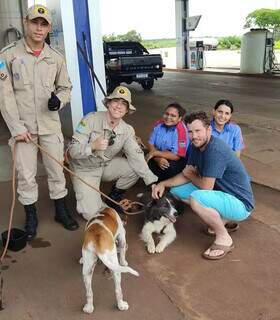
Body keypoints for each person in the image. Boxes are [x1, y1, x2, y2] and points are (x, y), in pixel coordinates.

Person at [0, 4, 79, 240]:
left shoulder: (55, 58)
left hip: (49, 126)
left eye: (43, 24)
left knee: (57, 171)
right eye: (35, 22)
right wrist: (16, 128)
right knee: (26, 175)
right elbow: (5, 96)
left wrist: (59, 100)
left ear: (49, 28)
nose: (38, 28)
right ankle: (31, 215)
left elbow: (66, 88)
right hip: (22, 128)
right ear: (26, 22)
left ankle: (61, 211)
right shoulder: (8, 55)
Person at [152, 111, 254, 260]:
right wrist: (162, 183)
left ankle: (224, 238)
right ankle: (223, 219)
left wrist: (191, 175)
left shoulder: (215, 150)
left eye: (198, 131)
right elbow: (186, 173)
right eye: (190, 132)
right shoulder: (195, 146)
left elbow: (204, 186)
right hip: (222, 193)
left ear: (209, 130)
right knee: (177, 190)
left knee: (196, 198)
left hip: (241, 204)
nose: (194, 136)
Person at [68, 86, 158, 220]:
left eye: (124, 104)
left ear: (127, 110)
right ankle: (99, 204)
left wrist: (152, 182)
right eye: (116, 101)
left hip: (105, 165)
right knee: (91, 214)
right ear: (108, 103)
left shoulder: (127, 130)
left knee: (134, 168)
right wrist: (92, 146)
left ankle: (113, 199)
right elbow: (72, 151)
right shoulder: (90, 119)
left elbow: (137, 157)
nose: (118, 106)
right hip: (84, 168)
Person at [145, 102, 189, 182]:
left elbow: (177, 156)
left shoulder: (181, 131)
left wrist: (154, 154)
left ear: (179, 118)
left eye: (173, 116)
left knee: (168, 168)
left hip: (175, 159)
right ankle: (155, 181)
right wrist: (158, 158)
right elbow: (150, 143)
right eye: (166, 114)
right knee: (141, 158)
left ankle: (163, 183)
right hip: (159, 154)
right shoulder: (159, 124)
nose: (168, 117)